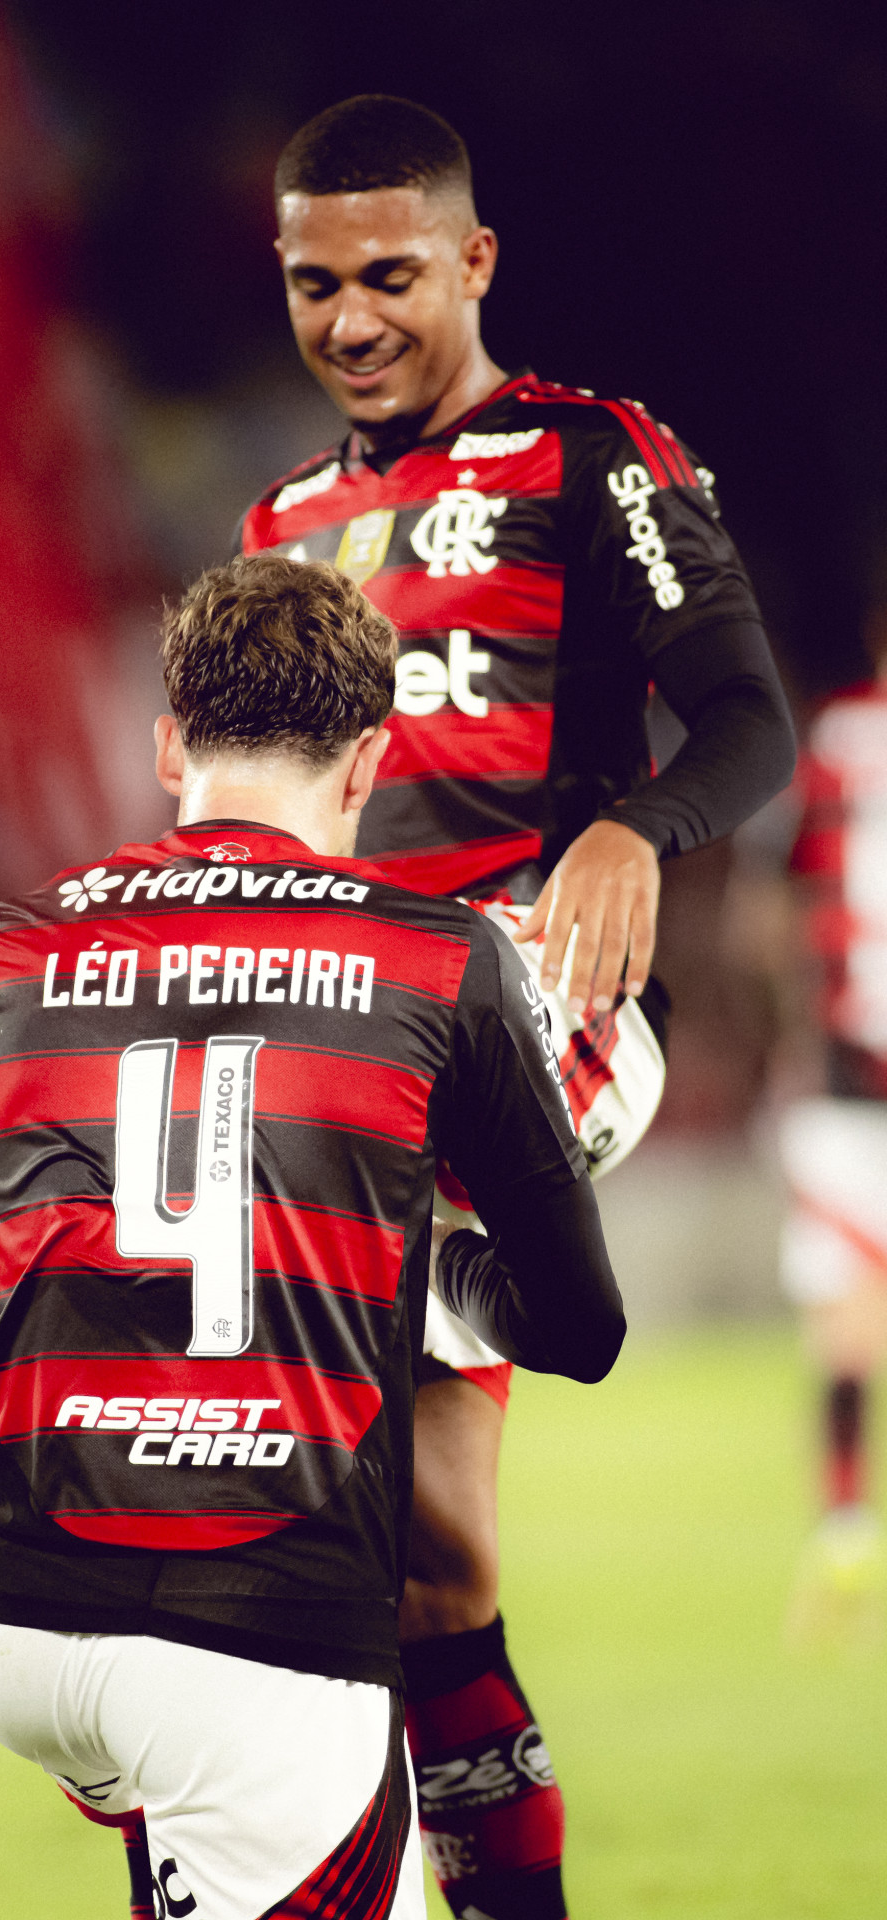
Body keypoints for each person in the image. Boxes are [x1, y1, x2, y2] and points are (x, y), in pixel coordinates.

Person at [0, 553, 626, 1920]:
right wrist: (425, 1266)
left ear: (170, 747)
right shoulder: (436, 964)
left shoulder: (0, 951)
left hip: (0, 1616)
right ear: (367, 765)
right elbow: (583, 1332)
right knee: (229, 1754)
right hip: (255, 1624)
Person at [240, 96, 796, 1920]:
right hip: (328, 1031)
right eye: (317, 283)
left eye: (391, 275)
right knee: (429, 1569)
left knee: (364, 1537)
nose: (353, 320)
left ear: (473, 263)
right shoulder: (288, 521)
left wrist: (637, 828)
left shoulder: (594, 458)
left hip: (518, 1010)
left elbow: (743, 721)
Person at [778, 647, 887, 1641]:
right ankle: (847, 1530)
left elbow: (776, 906)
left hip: (847, 1087)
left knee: (851, 1329)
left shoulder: (841, 740)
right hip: (850, 1097)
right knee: (850, 1327)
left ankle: (848, 1524)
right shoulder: (843, 737)